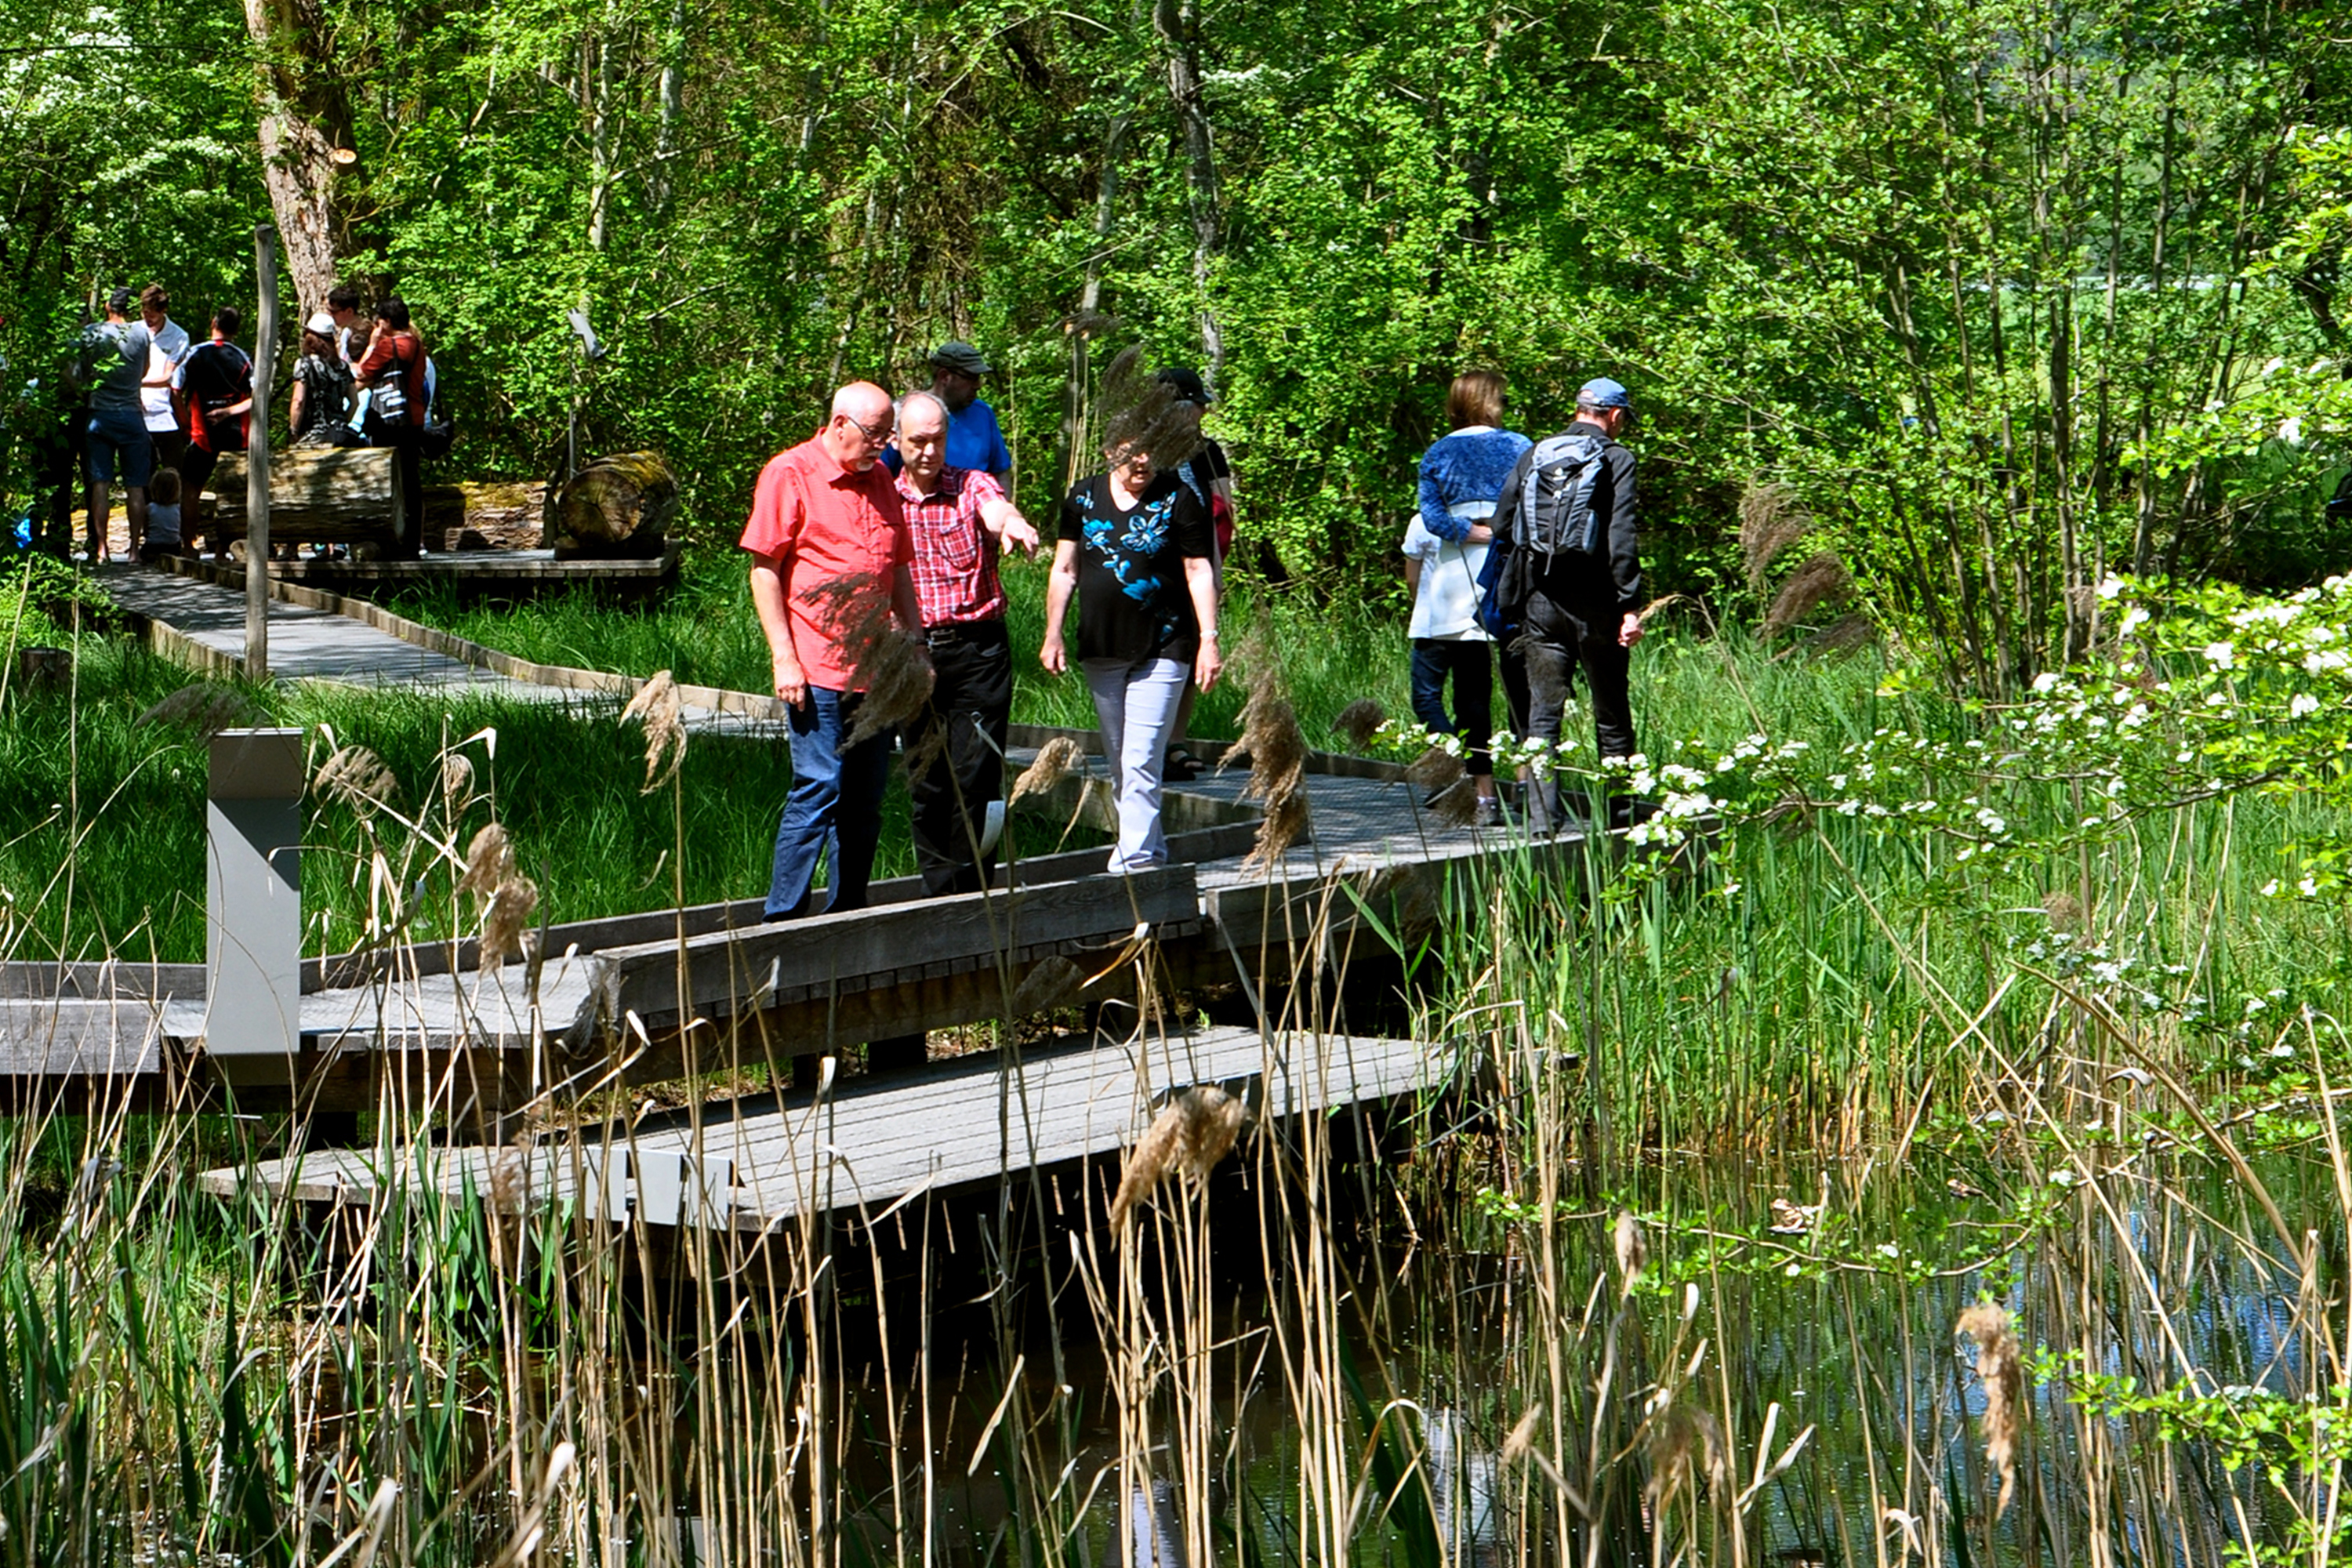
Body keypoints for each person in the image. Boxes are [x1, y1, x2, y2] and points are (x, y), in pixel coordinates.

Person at [744, 382, 928, 920]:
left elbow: (898, 570)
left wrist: (915, 644)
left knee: (865, 802)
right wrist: (784, 656)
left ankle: (849, 913)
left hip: (875, 671)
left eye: (887, 434)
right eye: (875, 434)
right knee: (818, 787)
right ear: (840, 423)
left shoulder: (883, 481)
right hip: (816, 667)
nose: (883, 444)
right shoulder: (790, 473)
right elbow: (764, 571)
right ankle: (783, 918)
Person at [1040, 434, 1222, 874]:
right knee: (1124, 763)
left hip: (1166, 644)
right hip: (1101, 646)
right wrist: (1053, 632)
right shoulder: (1083, 497)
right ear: (1108, 452)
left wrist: (1209, 638)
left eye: (1150, 452)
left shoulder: (1178, 498)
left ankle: (1132, 867)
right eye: (1131, 452)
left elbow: (1199, 570)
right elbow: (1065, 569)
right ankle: (1153, 853)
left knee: (1141, 759)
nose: (1142, 461)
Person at [895, 390, 1040, 895]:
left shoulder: (970, 485)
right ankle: (940, 893)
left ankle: (974, 886)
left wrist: (1014, 525)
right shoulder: (885, 500)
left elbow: (996, 509)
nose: (929, 452)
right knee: (927, 778)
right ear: (897, 440)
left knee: (975, 774)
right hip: (914, 655)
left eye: (938, 440)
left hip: (978, 650)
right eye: (918, 442)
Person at [1489, 376, 1646, 829]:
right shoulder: (1617, 458)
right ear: (1614, 416)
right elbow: (1620, 536)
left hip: (1539, 602)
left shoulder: (1535, 453)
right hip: (1597, 606)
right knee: (1611, 711)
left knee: (1543, 712)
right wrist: (1630, 606)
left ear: (1578, 409)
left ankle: (1541, 820)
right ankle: (1621, 818)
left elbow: (1502, 524)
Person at [1405, 371, 1530, 827]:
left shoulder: (1438, 451)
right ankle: (1528, 787)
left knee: (1471, 696)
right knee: (1516, 689)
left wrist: (1467, 531)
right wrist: (1497, 531)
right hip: (1504, 570)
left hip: (1455, 575)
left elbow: (1432, 517)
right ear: (1487, 401)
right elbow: (1534, 504)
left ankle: (1482, 796)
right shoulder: (1519, 446)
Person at [1152, 366, 1236, 781]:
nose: (1202, 413)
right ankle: (1150, 743)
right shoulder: (1142, 450)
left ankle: (1175, 742)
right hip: (1150, 567)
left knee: (1186, 654)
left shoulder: (1208, 452)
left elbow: (1222, 512)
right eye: (1197, 405)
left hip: (1197, 562)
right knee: (1151, 652)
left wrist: (1216, 570)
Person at [74, 288, 154, 562]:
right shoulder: (142, 333)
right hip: (132, 413)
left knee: (100, 483)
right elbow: (145, 370)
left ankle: (102, 549)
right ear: (130, 309)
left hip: (100, 414)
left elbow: (82, 374)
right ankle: (134, 550)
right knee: (135, 485)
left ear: (108, 306)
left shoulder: (91, 333)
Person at [355, 298, 427, 557]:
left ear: (385, 322)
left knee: (386, 480)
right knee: (410, 481)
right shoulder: (417, 345)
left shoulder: (389, 345)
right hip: (414, 418)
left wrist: (373, 343)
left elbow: (362, 372)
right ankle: (411, 543)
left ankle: (391, 541)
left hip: (390, 421)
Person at [901, 341, 1012, 480]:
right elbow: (882, 472)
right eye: (971, 378)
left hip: (979, 499)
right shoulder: (908, 414)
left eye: (979, 379)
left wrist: (1002, 501)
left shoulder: (983, 414)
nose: (977, 386)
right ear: (944, 377)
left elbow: (1001, 471)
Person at [136, 285, 192, 495]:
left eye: (152, 314)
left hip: (165, 413)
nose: (147, 318)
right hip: (136, 411)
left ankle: (171, 519)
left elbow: (170, 377)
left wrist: (136, 382)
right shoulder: (134, 331)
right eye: (144, 313)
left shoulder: (178, 336)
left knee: (173, 471)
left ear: (163, 311)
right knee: (142, 473)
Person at [289, 311, 354, 446]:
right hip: (341, 435)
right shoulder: (342, 366)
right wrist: (342, 423)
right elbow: (355, 402)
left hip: (314, 435)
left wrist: (293, 430)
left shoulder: (304, 364)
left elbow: (298, 401)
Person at [142, 466, 184, 564]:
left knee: (145, 551)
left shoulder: (150, 508)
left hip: (153, 545)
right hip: (173, 545)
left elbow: (146, 531)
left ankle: (151, 557)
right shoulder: (179, 508)